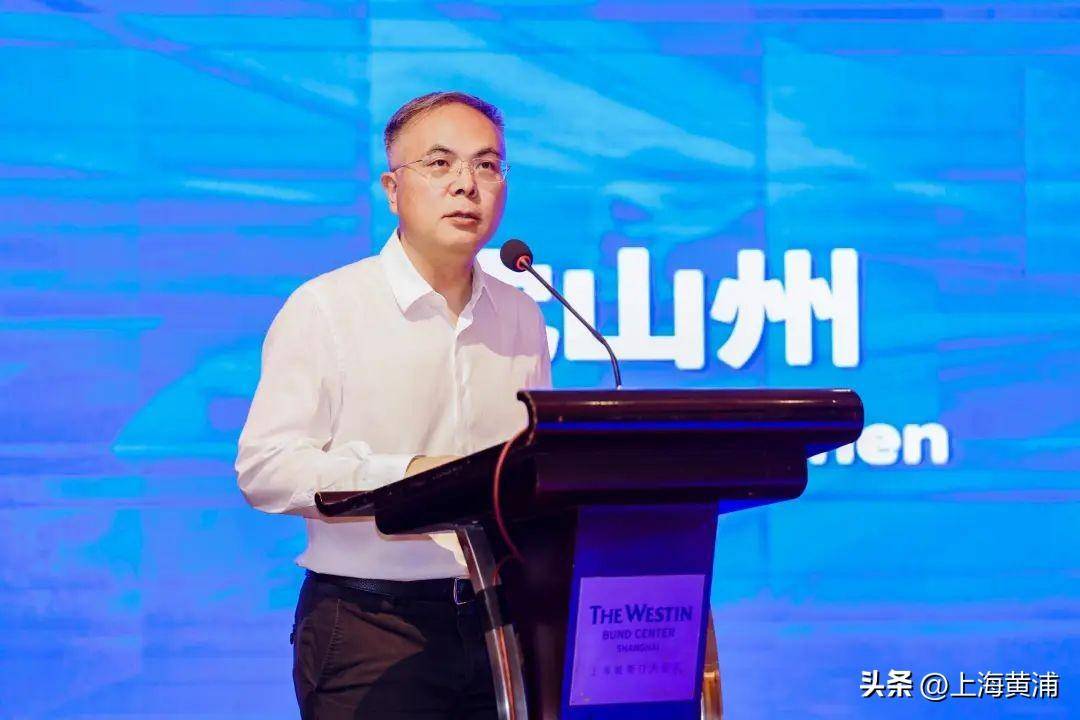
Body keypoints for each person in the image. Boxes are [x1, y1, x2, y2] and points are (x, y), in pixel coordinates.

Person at [235, 91, 552, 719]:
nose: (466, 184)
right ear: (392, 188)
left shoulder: (521, 313)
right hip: (372, 627)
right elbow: (265, 468)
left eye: (487, 165)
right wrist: (406, 477)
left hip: (500, 620)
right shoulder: (327, 308)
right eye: (440, 163)